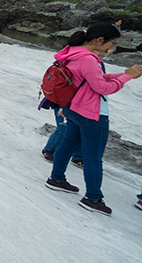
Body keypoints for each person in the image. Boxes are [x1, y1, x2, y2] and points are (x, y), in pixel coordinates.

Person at [45, 23, 142, 216]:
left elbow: (94, 77)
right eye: (112, 43)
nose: (111, 47)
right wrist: (126, 78)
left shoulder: (72, 51)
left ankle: (56, 179)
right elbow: (102, 88)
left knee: (67, 144)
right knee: (93, 157)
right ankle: (93, 198)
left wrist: (123, 73)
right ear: (99, 40)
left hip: (73, 108)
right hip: (91, 113)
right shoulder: (89, 59)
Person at [39, 97, 83, 169]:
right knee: (63, 128)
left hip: (81, 104)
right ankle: (49, 150)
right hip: (63, 102)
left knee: (80, 130)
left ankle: (78, 157)